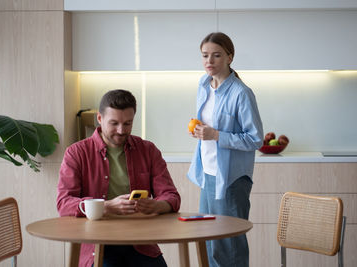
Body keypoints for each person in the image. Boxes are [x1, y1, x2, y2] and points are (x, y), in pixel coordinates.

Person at [57, 89, 181, 267]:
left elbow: (172, 196)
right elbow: (64, 203)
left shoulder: (148, 150)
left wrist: (157, 205)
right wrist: (105, 206)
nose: (121, 130)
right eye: (114, 123)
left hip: (140, 243)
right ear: (99, 119)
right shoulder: (76, 153)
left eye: (128, 123)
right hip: (97, 244)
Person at [187, 32, 264, 267]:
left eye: (217, 55)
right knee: (209, 239)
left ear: (230, 57)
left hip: (231, 178)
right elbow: (209, 125)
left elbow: (255, 139)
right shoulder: (204, 84)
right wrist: (200, 132)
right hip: (207, 174)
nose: (209, 61)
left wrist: (216, 135)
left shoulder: (241, 93)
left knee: (229, 245)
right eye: (205, 56)